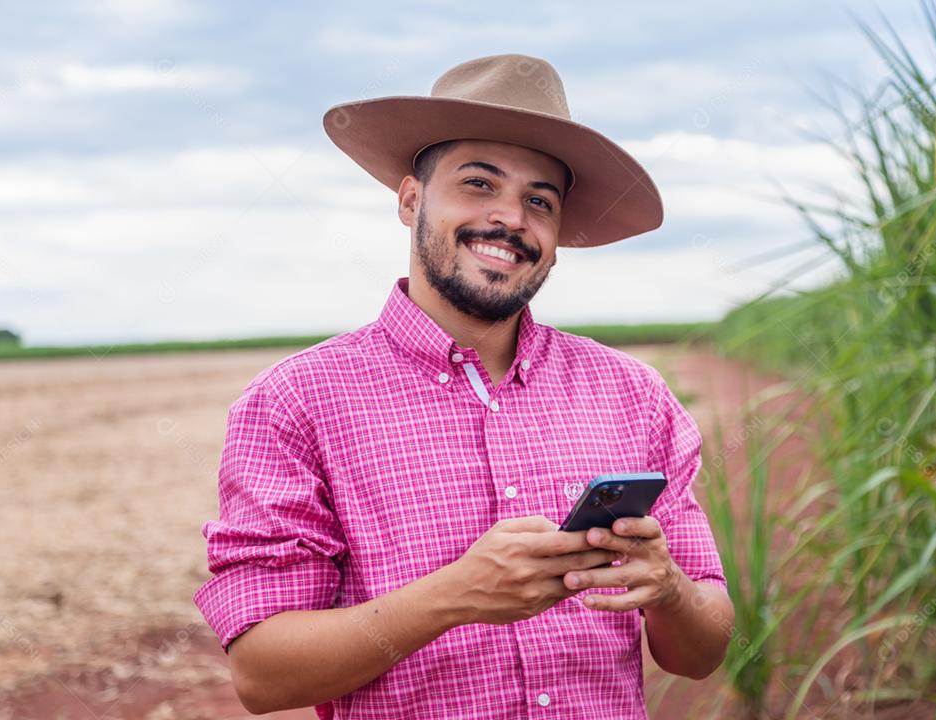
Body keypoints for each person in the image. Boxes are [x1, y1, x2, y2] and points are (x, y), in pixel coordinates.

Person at [193, 53, 733, 719]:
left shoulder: (633, 394)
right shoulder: (294, 402)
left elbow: (700, 653)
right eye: (479, 184)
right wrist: (457, 595)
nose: (511, 218)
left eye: (539, 201)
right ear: (411, 200)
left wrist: (670, 589)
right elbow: (262, 676)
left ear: (557, 235)